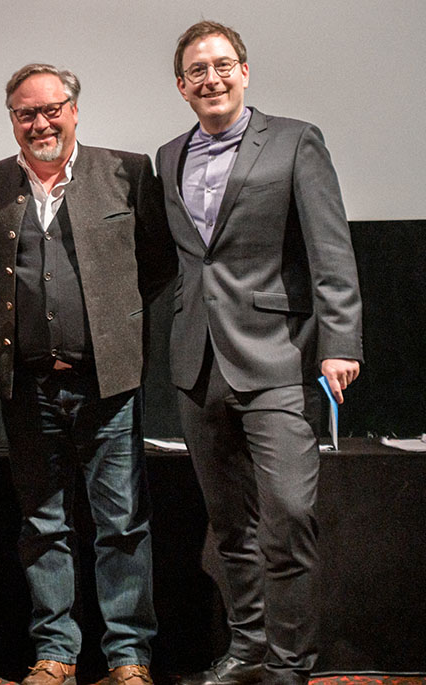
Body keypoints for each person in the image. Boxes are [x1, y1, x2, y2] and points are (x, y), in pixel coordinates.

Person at [156, 21, 362, 685]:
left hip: (278, 357)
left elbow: (330, 249)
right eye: (197, 70)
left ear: (244, 71)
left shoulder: (296, 141)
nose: (210, 78)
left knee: (290, 516)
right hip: (195, 361)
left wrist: (340, 342)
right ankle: (249, 648)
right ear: (181, 85)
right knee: (230, 523)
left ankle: (291, 660)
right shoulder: (167, 156)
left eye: (222, 65)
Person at [0, 63, 176, 685]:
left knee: (123, 524)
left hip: (107, 385)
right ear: (12, 121)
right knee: (42, 521)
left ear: (74, 110)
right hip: (26, 388)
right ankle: (55, 653)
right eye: (26, 113)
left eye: (51, 109)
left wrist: (112, 320)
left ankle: (128, 659)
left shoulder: (127, 172)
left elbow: (157, 262)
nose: (40, 123)